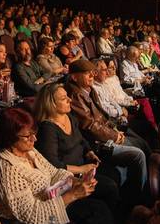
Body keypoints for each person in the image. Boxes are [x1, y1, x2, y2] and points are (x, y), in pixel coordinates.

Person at [0, 109, 121, 224]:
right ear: (9, 137)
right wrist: (73, 195)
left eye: (34, 133)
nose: (34, 139)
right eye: (27, 136)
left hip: (52, 201)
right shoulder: (6, 168)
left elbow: (54, 173)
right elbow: (31, 213)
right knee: (94, 213)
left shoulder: (29, 151)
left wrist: (76, 181)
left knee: (101, 199)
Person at [65, 58, 148, 202]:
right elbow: (90, 125)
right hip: (97, 144)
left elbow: (102, 116)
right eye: (87, 73)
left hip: (106, 134)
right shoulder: (75, 95)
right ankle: (139, 198)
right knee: (138, 155)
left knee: (141, 144)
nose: (92, 76)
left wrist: (114, 130)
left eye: (92, 72)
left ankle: (141, 187)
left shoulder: (89, 90)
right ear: (74, 77)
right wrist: (114, 136)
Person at [34, 83, 120, 211]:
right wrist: (81, 169)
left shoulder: (69, 117)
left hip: (84, 165)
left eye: (67, 96)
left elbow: (81, 139)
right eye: (64, 98)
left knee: (114, 173)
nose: (70, 99)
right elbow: (52, 164)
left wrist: (89, 151)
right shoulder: (47, 129)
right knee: (109, 187)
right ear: (51, 104)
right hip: (69, 178)